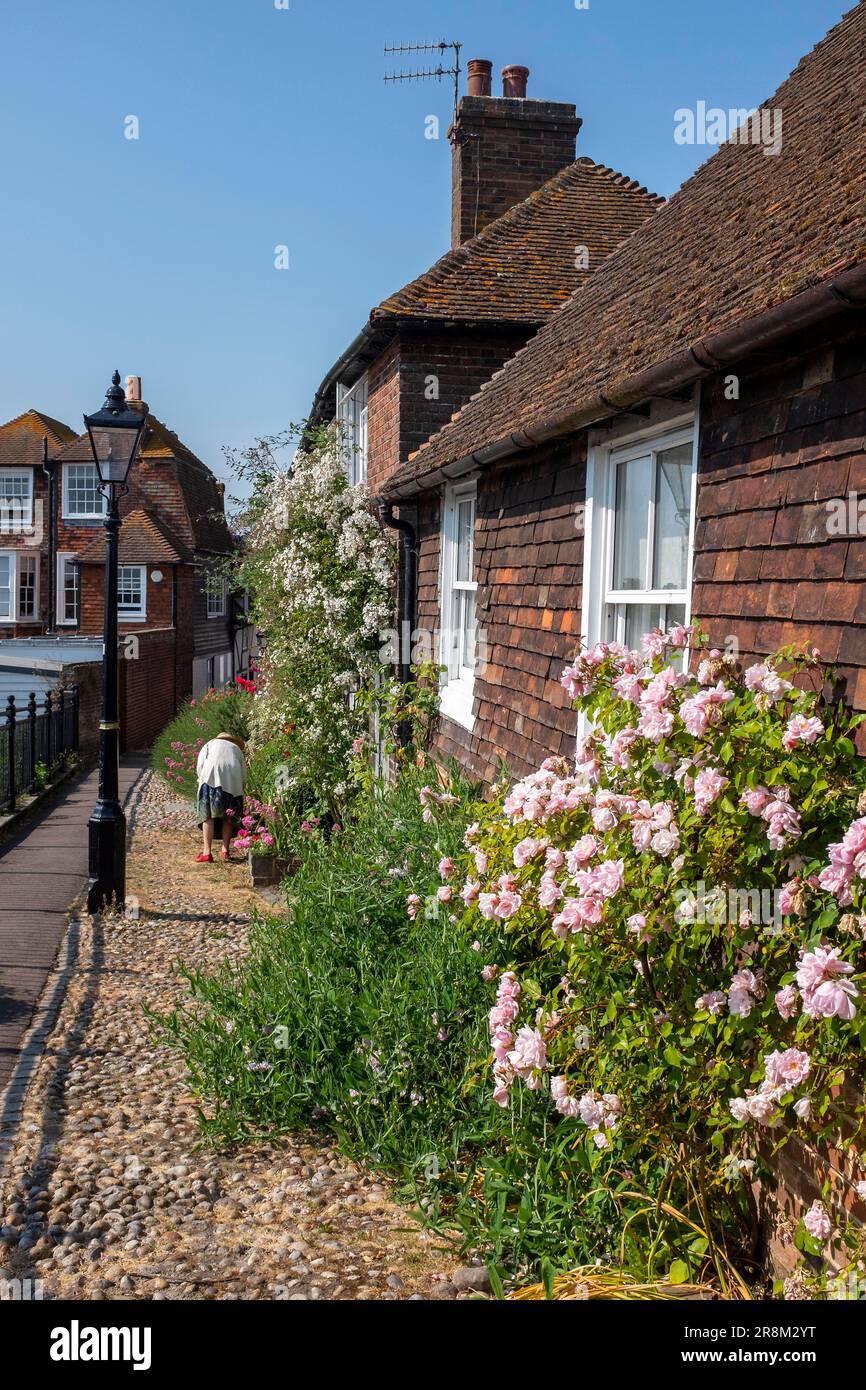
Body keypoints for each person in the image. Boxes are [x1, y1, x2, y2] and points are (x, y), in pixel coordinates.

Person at [195, 732, 247, 863]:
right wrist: (239, 788)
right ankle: (225, 851)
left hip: (210, 777)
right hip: (233, 781)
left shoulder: (209, 744)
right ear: (232, 741)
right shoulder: (236, 749)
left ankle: (207, 852)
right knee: (228, 816)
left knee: (207, 814)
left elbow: (200, 766)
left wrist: (203, 781)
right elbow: (244, 774)